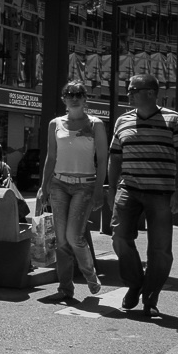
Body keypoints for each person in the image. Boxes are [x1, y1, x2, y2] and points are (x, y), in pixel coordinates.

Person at [108, 73, 178, 317]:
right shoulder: (122, 120)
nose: (129, 94)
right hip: (129, 189)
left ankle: (151, 295)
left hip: (162, 192)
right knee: (120, 237)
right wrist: (111, 189)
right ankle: (135, 282)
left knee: (160, 249)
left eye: (133, 90)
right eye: (129, 89)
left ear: (151, 93)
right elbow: (115, 157)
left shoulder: (174, 120)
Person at [38, 81, 107, 302]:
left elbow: (103, 160)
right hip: (59, 184)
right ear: (64, 99)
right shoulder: (55, 124)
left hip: (85, 186)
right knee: (61, 241)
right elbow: (51, 157)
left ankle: (90, 275)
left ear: (85, 98)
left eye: (78, 94)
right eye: (69, 94)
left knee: (73, 237)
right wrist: (43, 187)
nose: (74, 98)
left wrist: (99, 190)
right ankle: (65, 289)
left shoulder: (95, 124)